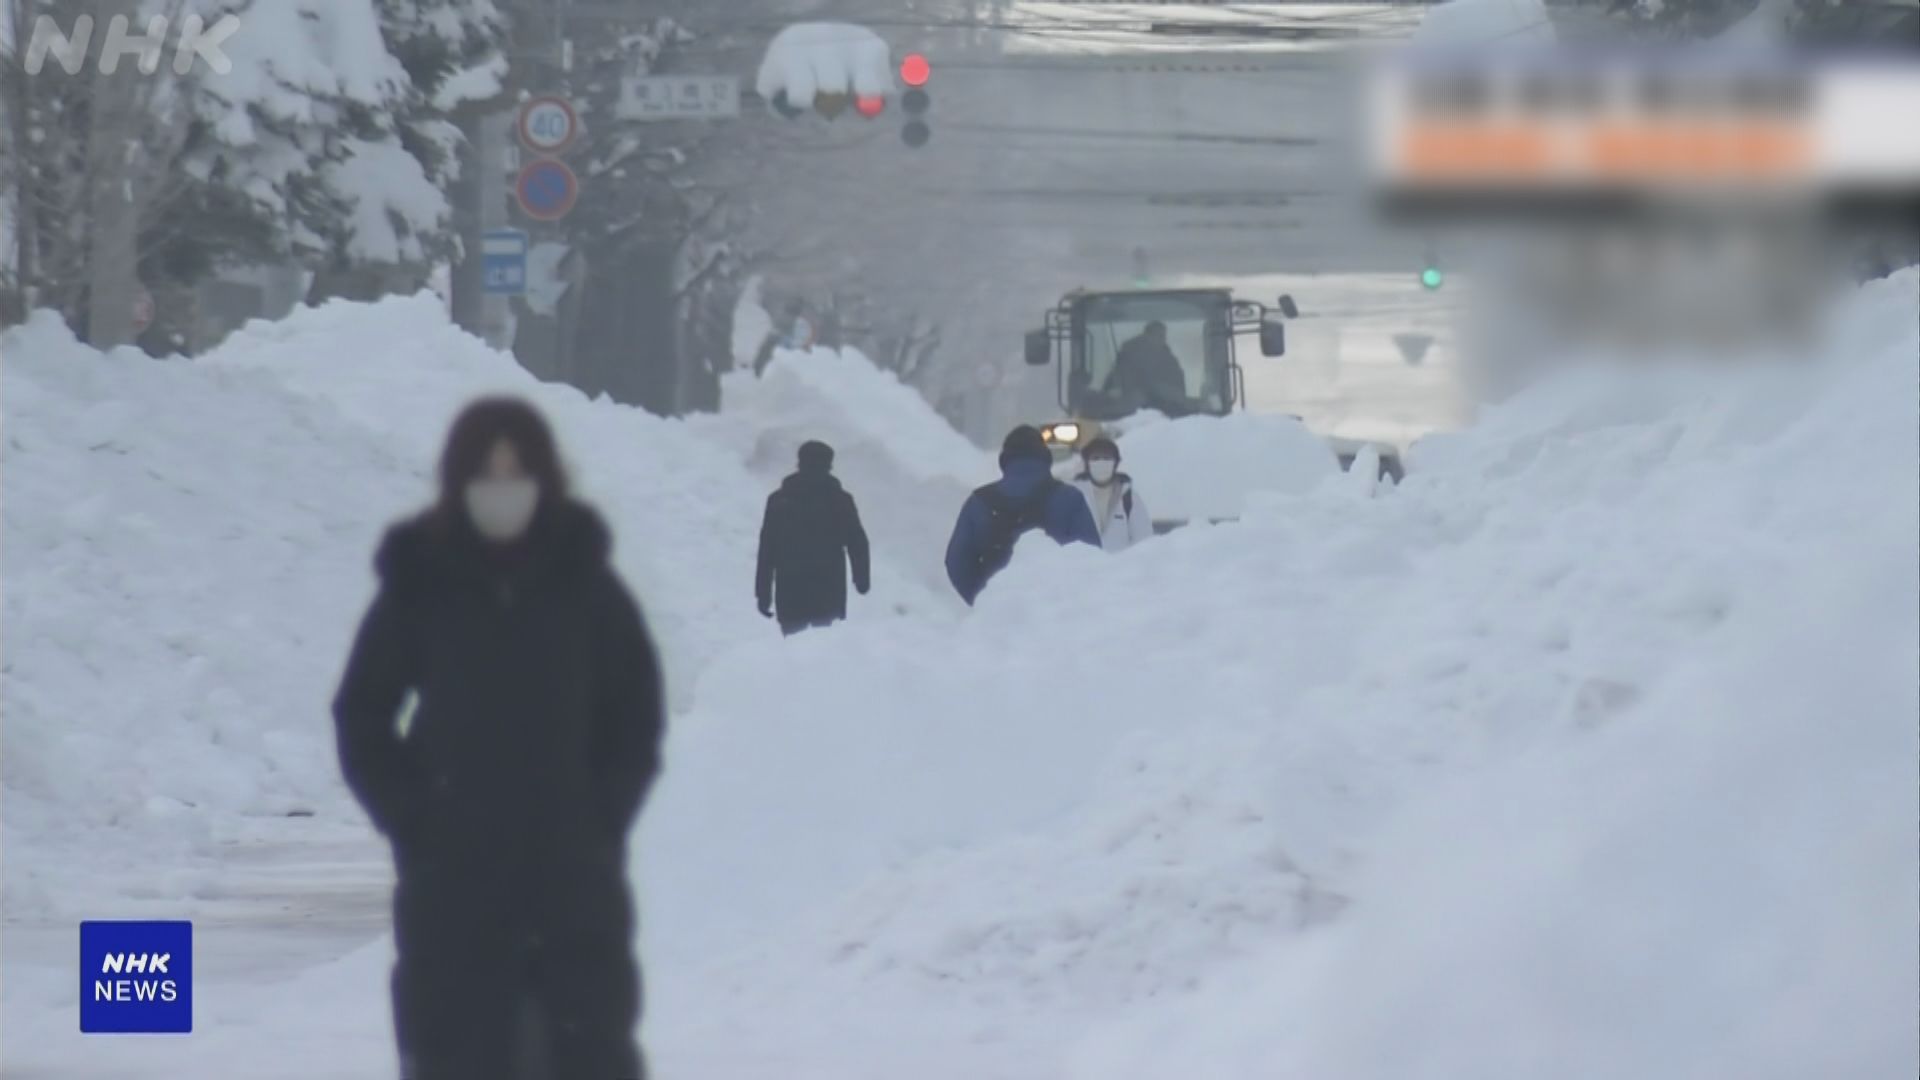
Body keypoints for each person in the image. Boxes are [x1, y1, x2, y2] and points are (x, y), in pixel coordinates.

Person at [333, 397, 661, 1080]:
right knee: (460, 1053)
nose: (502, 489)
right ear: (459, 482)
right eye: (487, 473)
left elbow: (635, 714)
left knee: (579, 1053)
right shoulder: (421, 585)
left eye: (517, 471)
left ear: (545, 478)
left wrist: (598, 816)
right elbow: (362, 711)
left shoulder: (588, 590)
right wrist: (416, 817)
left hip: (570, 889)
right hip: (455, 889)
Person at [945, 425, 1102, 605]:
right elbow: (1090, 558)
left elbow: (956, 561)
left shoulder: (978, 502)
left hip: (1000, 613)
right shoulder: (1069, 498)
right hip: (1058, 613)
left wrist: (983, 599)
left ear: (1005, 461)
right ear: (1045, 458)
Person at [756, 440, 872, 635]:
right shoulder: (840, 500)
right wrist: (861, 579)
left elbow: (767, 550)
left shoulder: (779, 501)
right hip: (829, 590)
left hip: (790, 590)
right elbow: (857, 542)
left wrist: (763, 594)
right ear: (829, 466)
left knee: (794, 650)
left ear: (799, 463)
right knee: (825, 651)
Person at [1069, 437, 1153, 552]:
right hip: (1083, 566)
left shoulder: (1128, 497)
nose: (1101, 462)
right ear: (1087, 463)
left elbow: (1144, 539)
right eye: (1096, 458)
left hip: (1120, 568)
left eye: (1106, 458)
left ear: (1115, 463)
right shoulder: (1072, 495)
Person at [1106, 321, 1190, 413]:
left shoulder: (1169, 360)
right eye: (1158, 335)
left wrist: (1176, 397)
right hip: (1128, 413)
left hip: (1167, 412)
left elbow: (1178, 388)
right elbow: (1115, 384)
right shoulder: (1127, 356)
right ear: (1147, 335)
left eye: (1163, 336)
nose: (1163, 339)